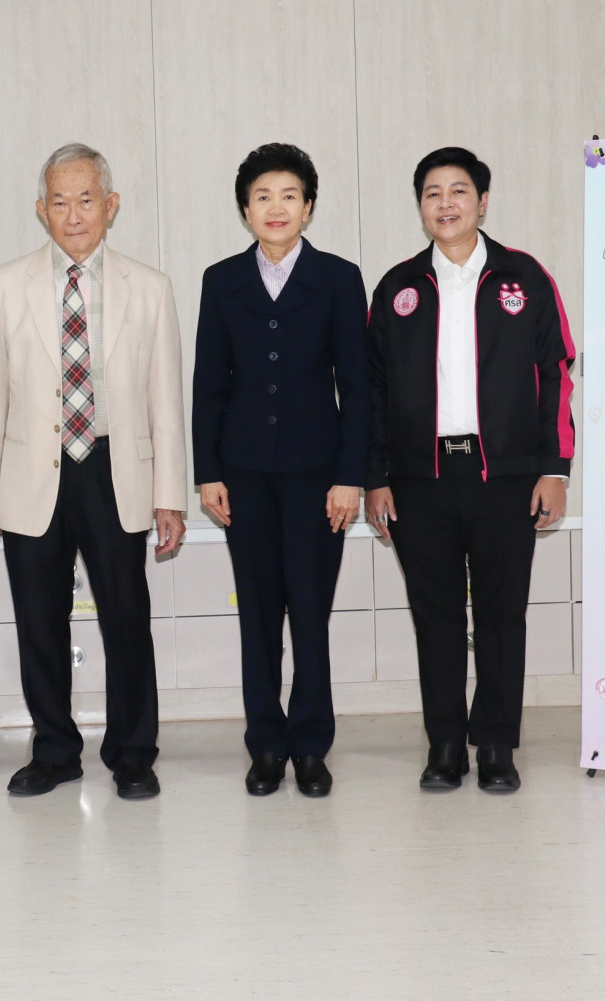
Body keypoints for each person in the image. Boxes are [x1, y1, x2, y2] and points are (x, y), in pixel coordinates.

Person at [0, 143, 187, 800]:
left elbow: (165, 401)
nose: (73, 215)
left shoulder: (149, 287)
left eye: (86, 199)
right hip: (30, 474)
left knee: (127, 618)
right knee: (40, 621)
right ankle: (55, 751)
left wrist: (170, 495)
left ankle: (133, 753)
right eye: (59, 202)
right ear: (41, 209)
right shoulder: (2, 287)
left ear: (110, 205)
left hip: (115, 469)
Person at [364, 146, 575, 793]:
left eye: (458, 190)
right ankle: (446, 745)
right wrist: (376, 477)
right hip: (419, 481)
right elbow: (372, 392)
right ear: (420, 206)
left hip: (505, 477)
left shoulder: (525, 278)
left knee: (501, 614)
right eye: (432, 193)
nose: (446, 203)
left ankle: (497, 745)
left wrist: (555, 469)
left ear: (482, 202)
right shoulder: (398, 287)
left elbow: (556, 374)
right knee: (435, 618)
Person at [192, 143, 367, 798]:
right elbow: (208, 383)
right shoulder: (221, 281)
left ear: (309, 207)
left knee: (310, 612)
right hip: (243, 476)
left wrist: (350, 476)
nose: (276, 207)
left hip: (318, 476)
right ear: (245, 210)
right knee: (259, 613)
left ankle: (311, 745)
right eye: (262, 196)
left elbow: (358, 386)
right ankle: (265, 744)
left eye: (289, 196)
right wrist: (208, 471)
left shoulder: (339, 278)